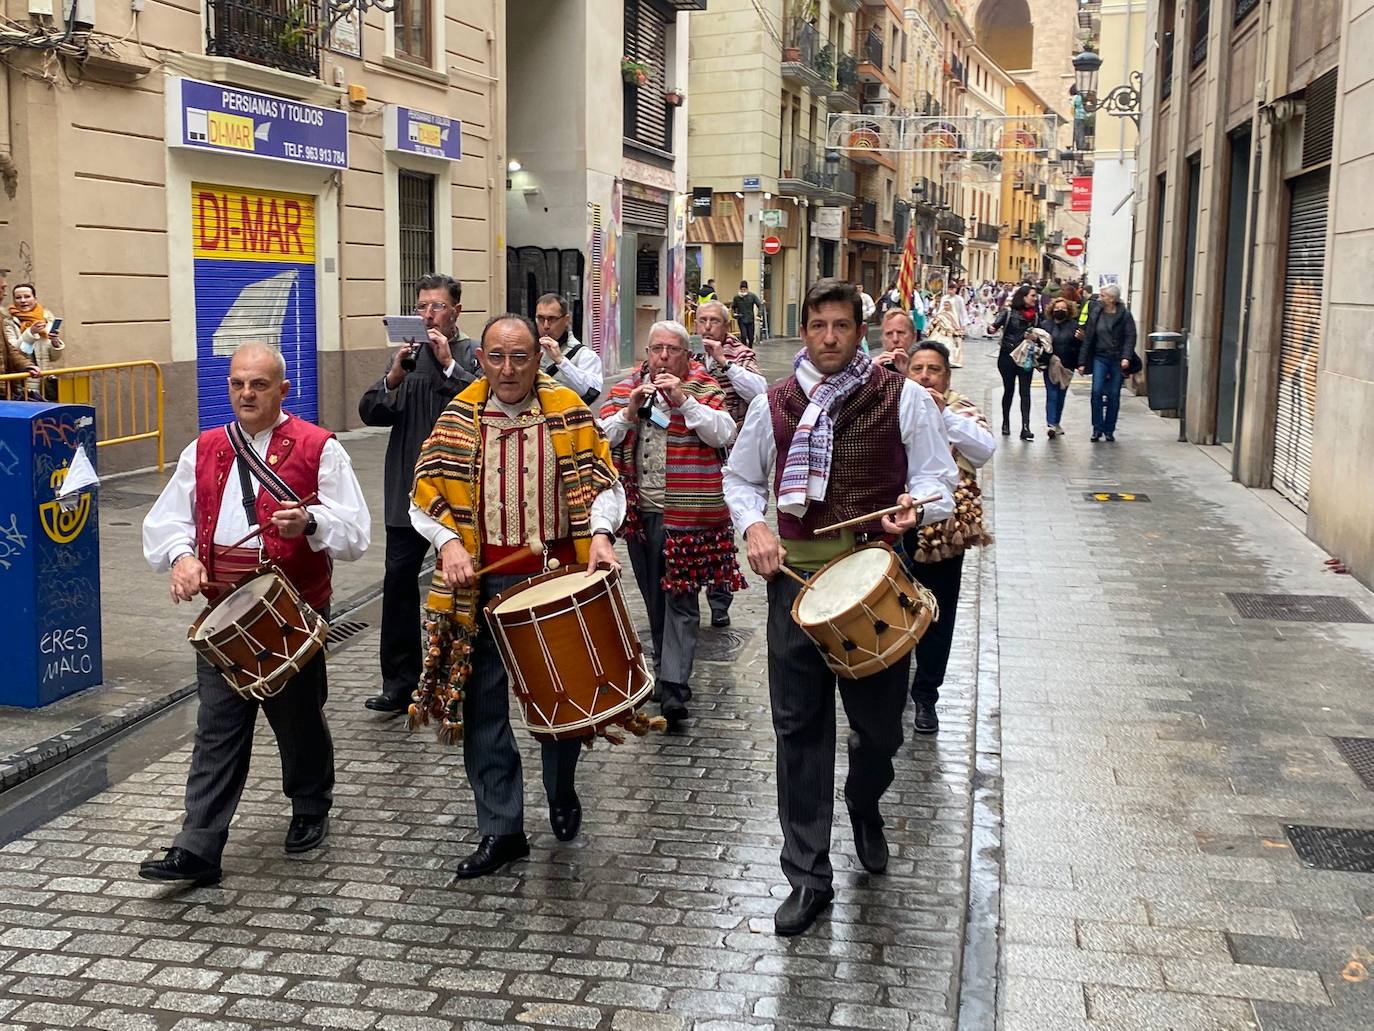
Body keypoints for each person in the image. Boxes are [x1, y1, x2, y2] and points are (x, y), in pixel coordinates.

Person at [722, 279, 957, 937]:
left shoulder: (904, 398)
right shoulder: (773, 405)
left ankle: (864, 801)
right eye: (819, 324)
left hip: (873, 583)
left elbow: (939, 477)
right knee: (799, 732)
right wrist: (754, 527)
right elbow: (740, 480)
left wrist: (920, 504)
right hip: (794, 587)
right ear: (805, 330)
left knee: (881, 733)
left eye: (841, 326)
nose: (829, 337)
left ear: (860, 331)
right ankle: (807, 875)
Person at [139, 343, 371, 885]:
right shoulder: (205, 448)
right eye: (239, 383)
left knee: (297, 718)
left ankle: (311, 801)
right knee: (218, 725)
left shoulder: (320, 448)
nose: (247, 393)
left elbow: (356, 534)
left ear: (283, 390)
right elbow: (169, 520)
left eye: (259, 384)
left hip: (292, 605)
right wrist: (183, 558)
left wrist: (310, 523)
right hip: (224, 612)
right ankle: (198, 846)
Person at [408, 314, 625, 878]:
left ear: (539, 358)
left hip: (555, 579)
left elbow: (605, 484)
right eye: (497, 357)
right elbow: (423, 494)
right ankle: (500, 828)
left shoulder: (568, 411)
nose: (508, 370)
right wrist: (450, 543)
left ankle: (561, 784)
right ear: (480, 358)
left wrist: (600, 534)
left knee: (564, 696)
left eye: (521, 357)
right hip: (480, 584)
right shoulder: (458, 419)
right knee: (482, 705)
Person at [600, 321, 743, 726]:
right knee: (653, 597)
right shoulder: (627, 388)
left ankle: (675, 687)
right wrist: (629, 412)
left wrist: (684, 403)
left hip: (689, 514)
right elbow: (601, 437)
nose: (663, 357)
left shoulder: (703, 387)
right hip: (640, 513)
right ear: (646, 353)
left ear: (687, 355)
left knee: (680, 599)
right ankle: (665, 669)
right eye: (657, 349)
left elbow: (723, 433)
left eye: (672, 350)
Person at [357, 274, 479, 714]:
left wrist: (448, 365)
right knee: (398, 583)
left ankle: (457, 674)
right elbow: (370, 411)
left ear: (456, 313)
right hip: (406, 491)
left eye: (437, 306)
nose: (428, 314)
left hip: (457, 493)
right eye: (421, 306)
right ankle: (400, 681)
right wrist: (393, 376)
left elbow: (481, 405)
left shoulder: (469, 355)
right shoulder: (405, 358)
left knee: (460, 584)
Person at [901, 340, 996, 734]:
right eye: (918, 368)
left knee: (939, 614)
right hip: (897, 522)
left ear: (947, 375)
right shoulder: (897, 404)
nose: (925, 376)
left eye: (933, 369)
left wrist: (943, 415)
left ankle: (926, 696)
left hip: (944, 530)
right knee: (895, 610)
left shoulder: (961, 408)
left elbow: (984, 449)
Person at [694, 300, 767, 629]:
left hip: (731, 454)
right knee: (696, 527)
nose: (707, 326)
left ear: (726, 327)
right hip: (696, 455)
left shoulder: (741, 354)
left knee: (722, 528)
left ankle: (720, 597)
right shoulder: (691, 357)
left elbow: (759, 392)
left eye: (714, 321)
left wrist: (725, 363)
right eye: (702, 320)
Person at [1076, 283, 1138, 442]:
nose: (1099, 298)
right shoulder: (1096, 311)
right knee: (1096, 392)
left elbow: (1130, 337)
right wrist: (1082, 361)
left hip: (1117, 358)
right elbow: (1089, 337)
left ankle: (1109, 429)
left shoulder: (1124, 314)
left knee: (1113, 394)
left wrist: (1126, 357)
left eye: (1103, 296)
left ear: (1112, 298)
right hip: (1099, 356)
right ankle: (1097, 428)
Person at [535, 292, 603, 403]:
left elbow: (592, 391)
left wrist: (561, 361)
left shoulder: (585, 355)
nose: (546, 325)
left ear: (566, 320)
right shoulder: (529, 349)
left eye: (552, 319)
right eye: (541, 318)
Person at [992, 284, 1040, 440]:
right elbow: (993, 326)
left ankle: (1025, 427)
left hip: (1026, 357)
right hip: (1008, 356)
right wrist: (991, 329)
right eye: (1032, 295)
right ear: (1024, 297)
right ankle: (1006, 422)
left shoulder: (1036, 316)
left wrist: (1036, 338)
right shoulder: (1008, 313)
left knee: (1025, 392)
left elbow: (1042, 335)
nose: (1035, 298)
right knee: (1009, 390)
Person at [1040, 296, 1080, 438]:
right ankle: (1051, 424)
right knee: (1052, 394)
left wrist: (1080, 340)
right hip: (1050, 365)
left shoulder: (1074, 326)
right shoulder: (1045, 325)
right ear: (1052, 310)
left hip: (1067, 365)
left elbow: (1079, 346)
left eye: (1063, 309)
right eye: (1057, 309)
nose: (1060, 311)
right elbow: (1041, 345)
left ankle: (1056, 421)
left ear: (1068, 310)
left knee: (1061, 395)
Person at [0, 274, 39, 400]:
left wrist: (27, 365)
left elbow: (8, 349)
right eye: (2, 288)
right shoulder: (7, 319)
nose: (4, 294)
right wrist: (30, 334)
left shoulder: (45, 319)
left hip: (11, 384)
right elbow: (18, 347)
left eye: (27, 296)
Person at [877, 308, 916, 375]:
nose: (895, 339)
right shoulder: (875, 367)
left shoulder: (925, 368)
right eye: (889, 334)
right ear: (882, 339)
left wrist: (909, 374)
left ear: (914, 337)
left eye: (900, 333)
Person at [729, 280, 764, 347]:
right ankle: (744, 348)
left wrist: (759, 314)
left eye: (744, 289)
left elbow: (759, 305)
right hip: (741, 319)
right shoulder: (737, 298)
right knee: (743, 336)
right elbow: (733, 307)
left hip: (750, 319)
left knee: (751, 337)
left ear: (747, 289)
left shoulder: (752, 296)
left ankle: (750, 347)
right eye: (742, 289)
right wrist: (734, 315)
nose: (743, 291)